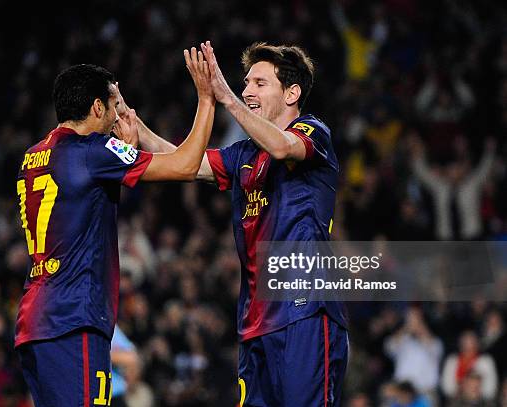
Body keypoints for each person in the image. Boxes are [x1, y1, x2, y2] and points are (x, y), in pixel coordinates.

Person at [119, 40, 348, 406]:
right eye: (245, 83)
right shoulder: (243, 154)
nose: (246, 90)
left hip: (303, 311)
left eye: (259, 83)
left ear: (292, 93)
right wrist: (133, 123)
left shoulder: (313, 131)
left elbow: (283, 148)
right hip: (256, 319)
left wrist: (226, 98)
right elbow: (184, 162)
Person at [14, 47, 215, 407]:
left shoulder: (32, 156)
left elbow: (81, 203)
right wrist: (206, 99)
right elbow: (185, 166)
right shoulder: (93, 150)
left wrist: (125, 152)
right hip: (75, 319)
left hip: (35, 321)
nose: (118, 114)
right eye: (114, 105)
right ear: (96, 107)